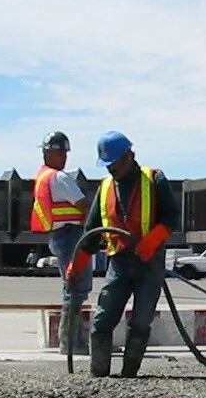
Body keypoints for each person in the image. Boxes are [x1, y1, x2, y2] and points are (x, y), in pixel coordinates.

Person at [69, 131, 180, 379]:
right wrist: (77, 265)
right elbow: (92, 231)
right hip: (118, 262)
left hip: (149, 263)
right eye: (107, 164)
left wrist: (152, 241)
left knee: (141, 321)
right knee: (103, 320)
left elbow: (172, 216)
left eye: (115, 163)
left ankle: (130, 375)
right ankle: (99, 375)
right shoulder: (106, 187)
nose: (111, 169)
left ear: (130, 156)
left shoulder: (154, 179)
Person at [29, 131, 90, 354]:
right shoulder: (59, 178)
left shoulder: (42, 177)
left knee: (74, 287)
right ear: (48, 153)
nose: (63, 157)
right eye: (59, 152)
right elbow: (84, 204)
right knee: (77, 288)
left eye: (64, 152)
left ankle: (77, 342)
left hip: (59, 236)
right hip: (71, 235)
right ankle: (72, 343)